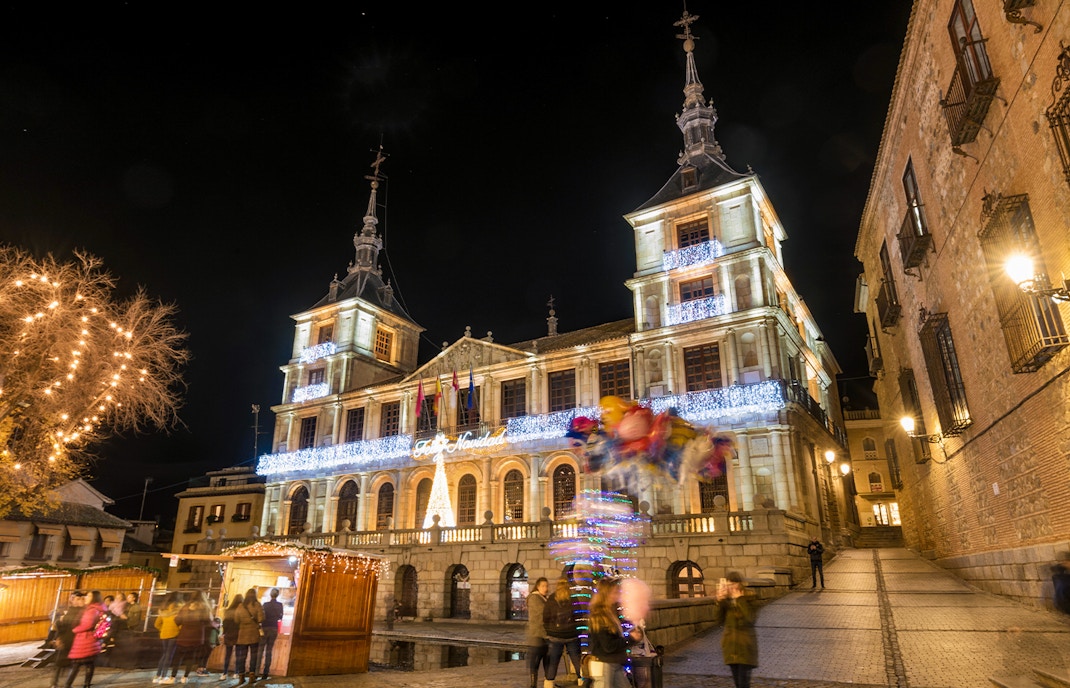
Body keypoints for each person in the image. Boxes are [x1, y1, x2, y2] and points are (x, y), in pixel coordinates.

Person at [588, 577, 638, 688]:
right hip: (604, 662)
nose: (618, 595)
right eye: (615, 592)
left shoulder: (612, 612)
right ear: (606, 594)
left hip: (614, 661)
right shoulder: (599, 616)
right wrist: (630, 638)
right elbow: (608, 646)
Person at [715, 571, 758, 688]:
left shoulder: (749, 598)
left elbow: (750, 619)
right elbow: (719, 621)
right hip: (731, 648)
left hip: (745, 647)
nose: (731, 588)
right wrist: (720, 602)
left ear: (739, 584)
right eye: (729, 585)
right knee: (738, 683)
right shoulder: (727, 601)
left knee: (743, 683)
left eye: (733, 584)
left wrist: (740, 599)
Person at [543, 576, 585, 688]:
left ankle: (549, 683)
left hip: (555, 635)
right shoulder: (573, 598)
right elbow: (579, 616)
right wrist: (577, 630)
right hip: (572, 634)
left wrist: (549, 630)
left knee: (553, 661)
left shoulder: (552, 598)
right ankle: (582, 680)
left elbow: (546, 617)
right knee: (576, 659)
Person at [167, 592, 215, 684]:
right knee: (190, 658)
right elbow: (209, 622)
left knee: (178, 657)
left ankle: (172, 677)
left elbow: (177, 620)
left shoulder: (185, 607)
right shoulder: (204, 608)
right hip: (196, 637)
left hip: (183, 636)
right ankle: (185, 677)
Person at [63, 590, 105, 688]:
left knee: (76, 664)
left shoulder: (92, 610)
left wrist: (74, 630)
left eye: (88, 596)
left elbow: (87, 625)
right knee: (89, 664)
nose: (86, 598)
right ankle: (86, 685)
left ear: (94, 598)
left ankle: (68, 685)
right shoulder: (92, 609)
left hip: (85, 639)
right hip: (88, 639)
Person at [50, 591, 86, 688]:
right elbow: (61, 624)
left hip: (77, 640)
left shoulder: (84, 611)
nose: (79, 601)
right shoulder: (71, 611)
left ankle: (67, 684)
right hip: (66, 639)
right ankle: (54, 683)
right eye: (77, 599)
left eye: (81, 599)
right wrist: (57, 637)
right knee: (60, 662)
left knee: (74, 663)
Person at [524, 577, 550, 688]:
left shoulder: (544, 598)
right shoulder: (534, 598)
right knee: (535, 663)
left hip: (546, 635)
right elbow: (543, 612)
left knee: (547, 662)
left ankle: (548, 683)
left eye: (547, 586)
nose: (546, 588)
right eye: (543, 586)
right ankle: (533, 685)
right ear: (538, 586)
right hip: (536, 635)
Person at [235, 588, 265, 683]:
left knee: (242, 656)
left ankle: (241, 676)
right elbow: (261, 618)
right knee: (253, 656)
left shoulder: (241, 606)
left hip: (242, 633)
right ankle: (252, 676)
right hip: (253, 633)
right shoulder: (257, 605)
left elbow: (236, 619)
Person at [258, 588, 284, 680]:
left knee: (260, 649)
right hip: (273, 627)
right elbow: (280, 617)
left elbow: (261, 616)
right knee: (269, 650)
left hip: (265, 627)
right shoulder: (280, 605)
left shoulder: (265, 604)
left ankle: (256, 672)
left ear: (270, 595)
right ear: (278, 595)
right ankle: (266, 673)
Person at [220, 594, 243, 680]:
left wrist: (224, 632)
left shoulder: (228, 610)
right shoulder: (241, 610)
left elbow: (225, 623)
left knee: (228, 655)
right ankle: (236, 673)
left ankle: (224, 673)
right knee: (238, 655)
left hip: (229, 634)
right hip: (238, 634)